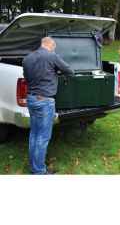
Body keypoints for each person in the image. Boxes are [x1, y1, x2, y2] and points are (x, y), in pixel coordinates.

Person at [23, 37, 74, 175]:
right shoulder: (51, 56)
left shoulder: (27, 57)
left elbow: (27, 77)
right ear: (50, 45)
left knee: (34, 134)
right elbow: (69, 71)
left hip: (31, 99)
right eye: (54, 47)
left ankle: (34, 166)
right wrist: (56, 72)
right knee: (43, 137)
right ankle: (39, 171)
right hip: (44, 100)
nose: (54, 50)